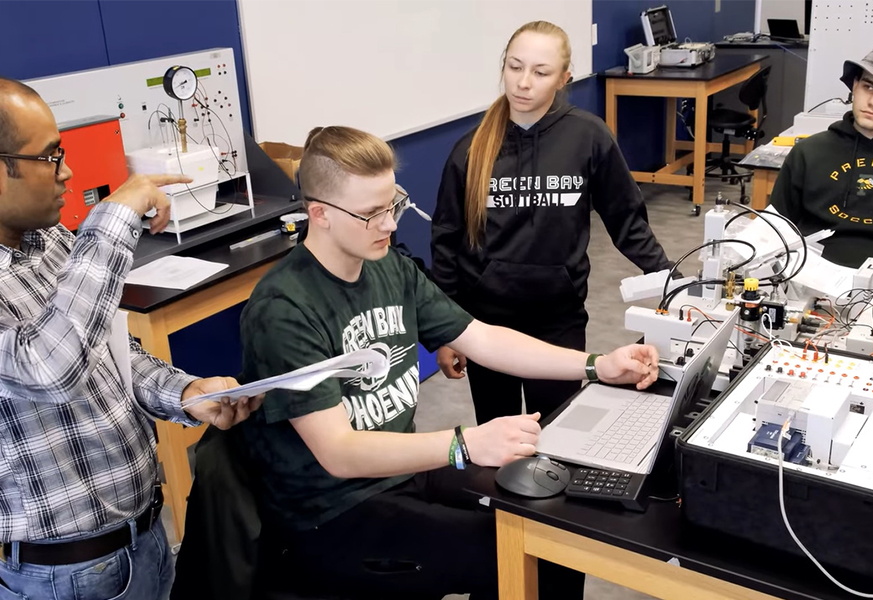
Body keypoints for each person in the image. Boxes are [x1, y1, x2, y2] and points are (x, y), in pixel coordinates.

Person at [239, 125, 660, 599]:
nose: (390, 225)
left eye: (392, 203)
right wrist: (464, 443)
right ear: (320, 214)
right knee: (509, 553)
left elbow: (483, 339)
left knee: (554, 528)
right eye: (371, 214)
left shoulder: (386, 267)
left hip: (400, 474)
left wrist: (597, 365)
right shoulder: (282, 309)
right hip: (330, 514)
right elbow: (339, 452)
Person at [0, 77, 262, 600]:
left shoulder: (46, 239)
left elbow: (107, 354)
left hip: (143, 538)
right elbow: (50, 369)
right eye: (51, 156)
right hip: (66, 577)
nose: (67, 172)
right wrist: (116, 216)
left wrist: (186, 394)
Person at [430, 21, 673, 425]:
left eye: (540, 73)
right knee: (498, 438)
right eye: (514, 67)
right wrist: (447, 330)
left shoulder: (588, 136)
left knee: (557, 434)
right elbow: (446, 241)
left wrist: (669, 280)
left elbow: (626, 219)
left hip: (558, 319)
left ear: (564, 78)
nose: (523, 83)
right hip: (485, 325)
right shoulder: (471, 148)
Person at [770, 42, 873, 268]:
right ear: (854, 86)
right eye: (868, 86)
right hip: (808, 278)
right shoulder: (809, 153)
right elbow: (774, 231)